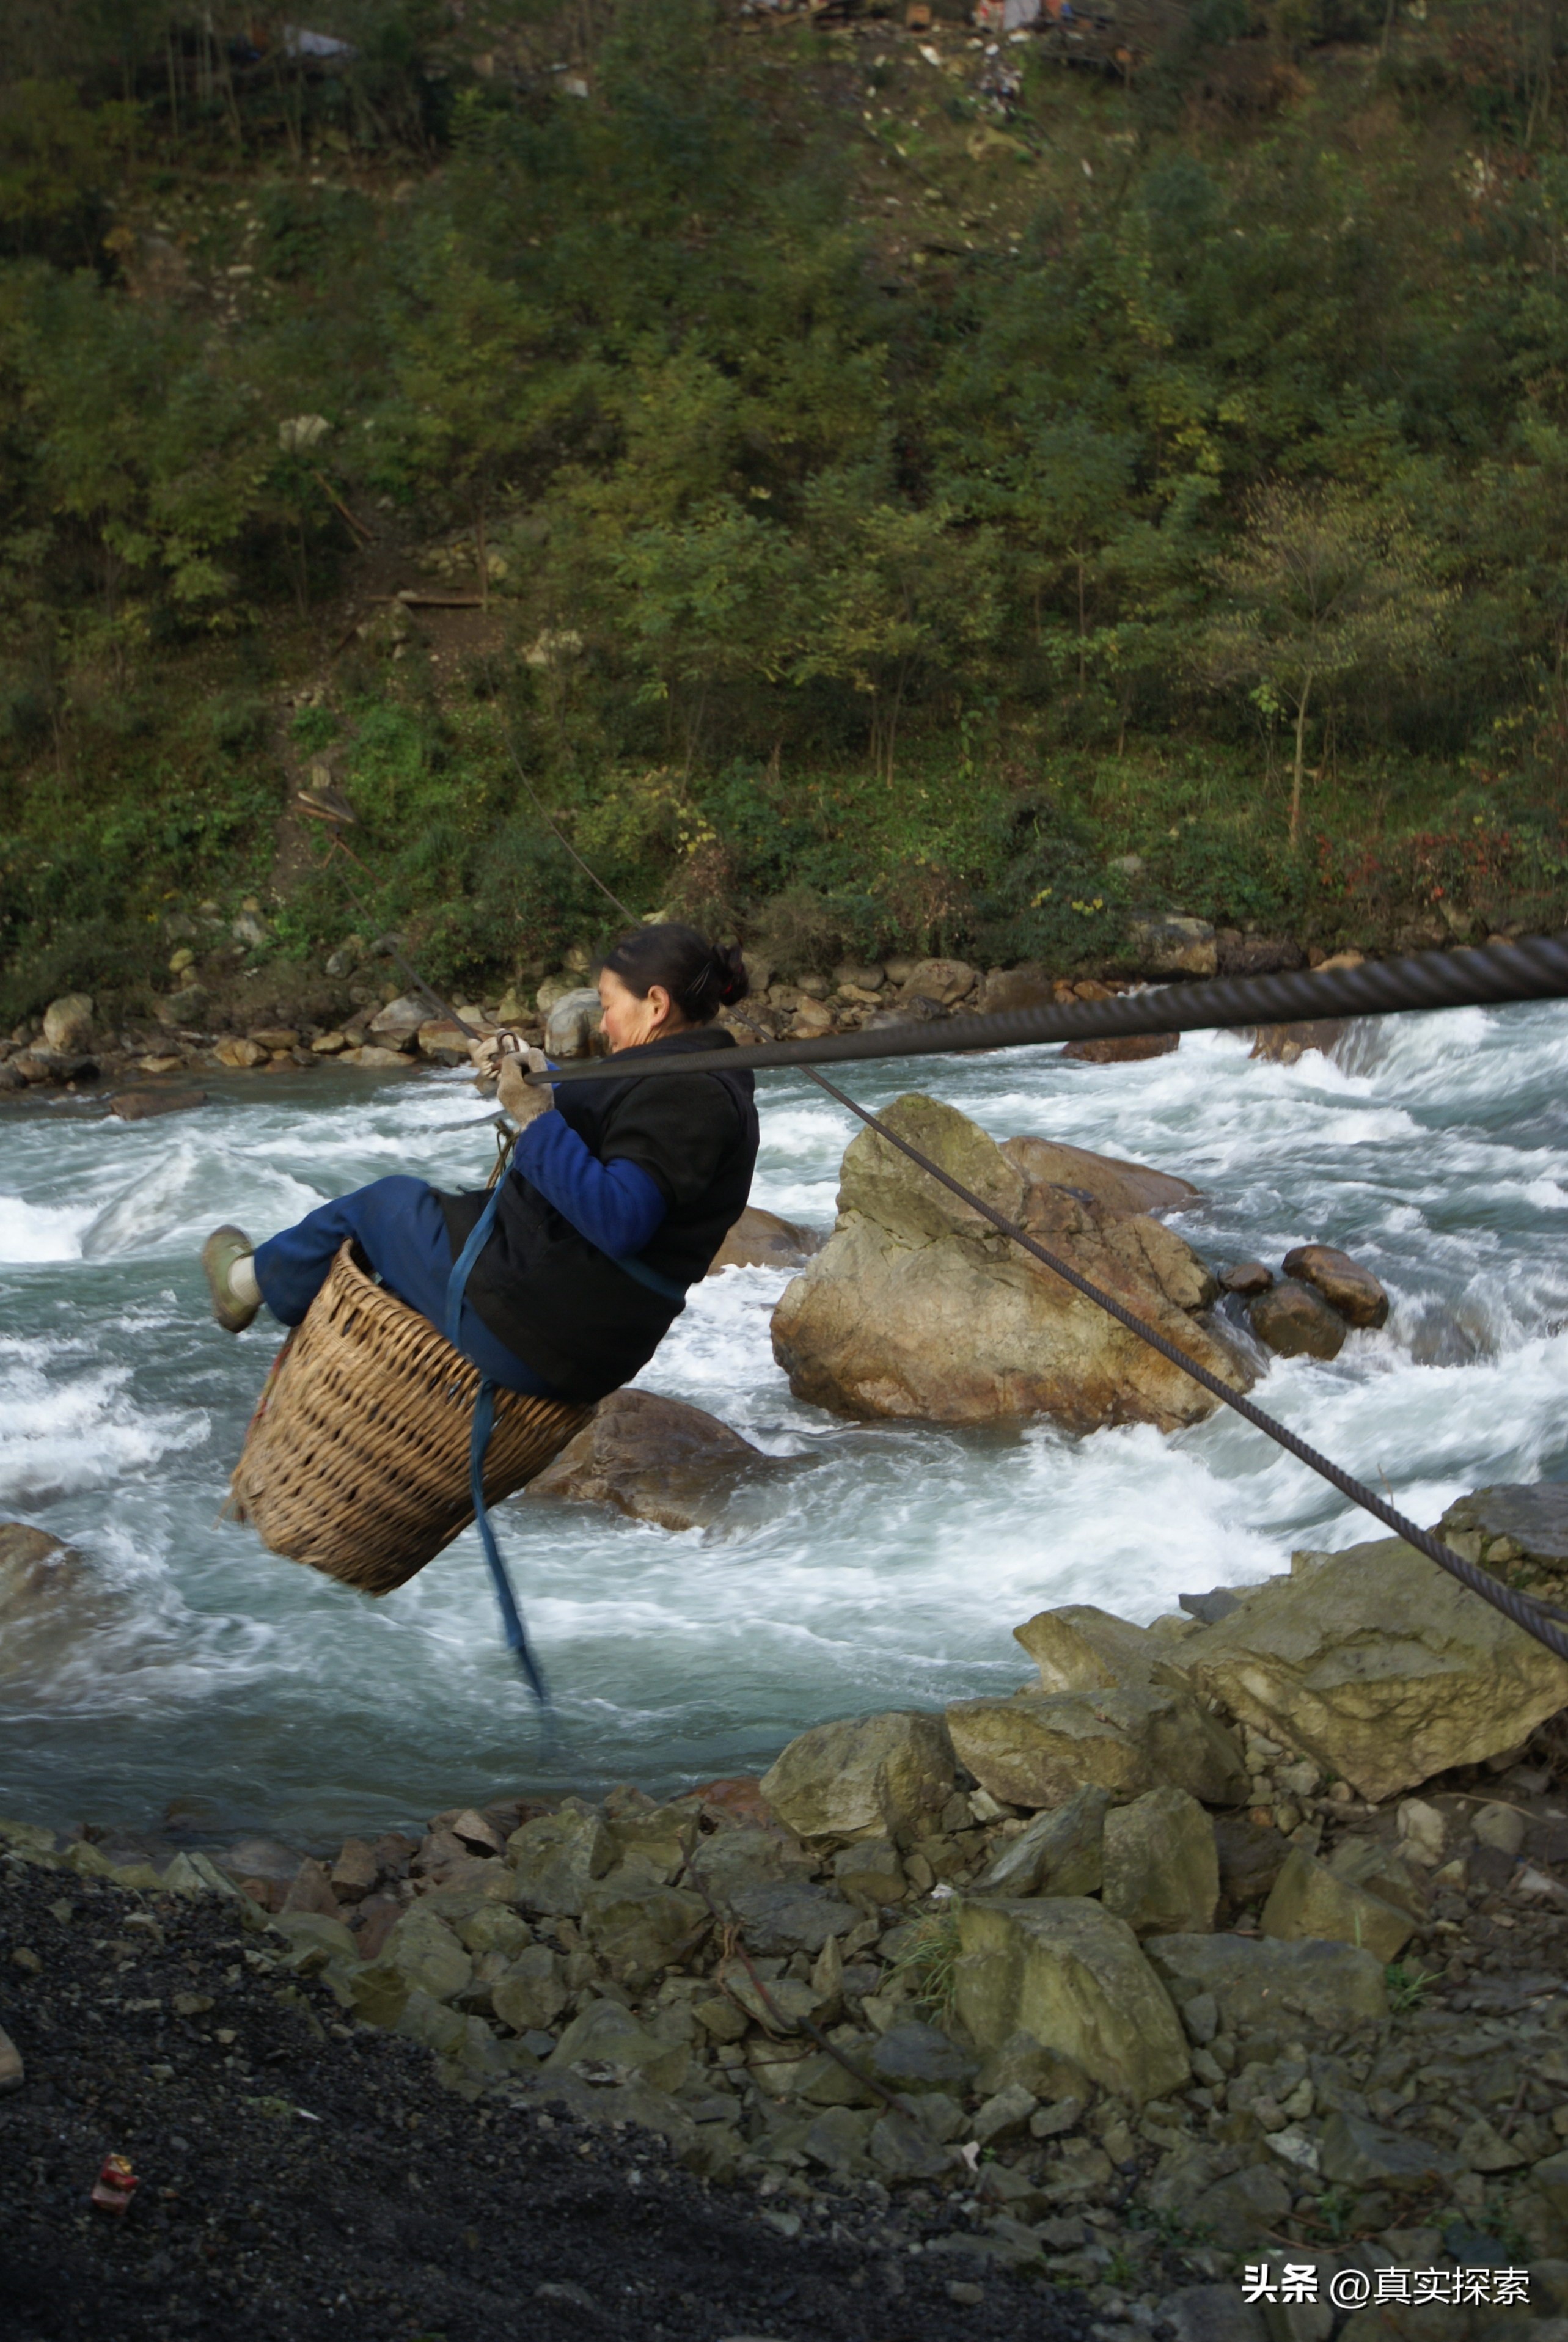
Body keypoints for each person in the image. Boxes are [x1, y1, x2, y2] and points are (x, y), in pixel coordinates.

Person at [200, 924, 759, 1406]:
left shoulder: (692, 1095)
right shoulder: (683, 1073)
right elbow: (614, 1115)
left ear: (656, 1005)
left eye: (609, 1006)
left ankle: (245, 1286)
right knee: (428, 1212)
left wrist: (536, 1118)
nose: (605, 1025)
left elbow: (619, 1218)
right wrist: (535, 1067)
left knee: (382, 1206)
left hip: (544, 1328)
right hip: (573, 1323)